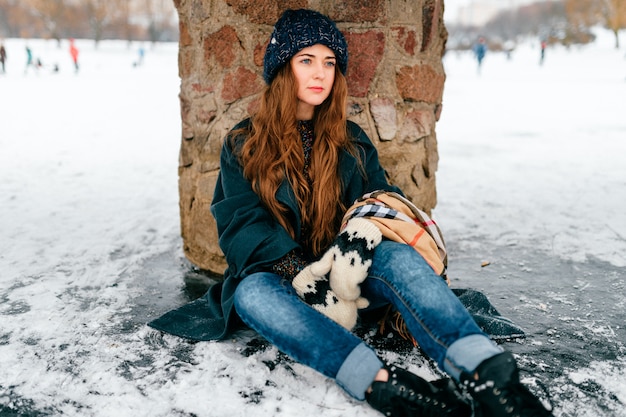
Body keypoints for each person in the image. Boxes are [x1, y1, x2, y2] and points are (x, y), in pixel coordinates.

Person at [149, 9, 554, 417]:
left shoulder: (352, 140)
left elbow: (382, 198)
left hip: (349, 276)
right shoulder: (243, 143)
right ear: (283, 68)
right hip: (279, 278)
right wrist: (299, 272)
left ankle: (490, 377)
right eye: (306, 60)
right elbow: (239, 224)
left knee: (399, 257)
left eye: (329, 62)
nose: (320, 73)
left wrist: (362, 231)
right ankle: (383, 386)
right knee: (251, 294)